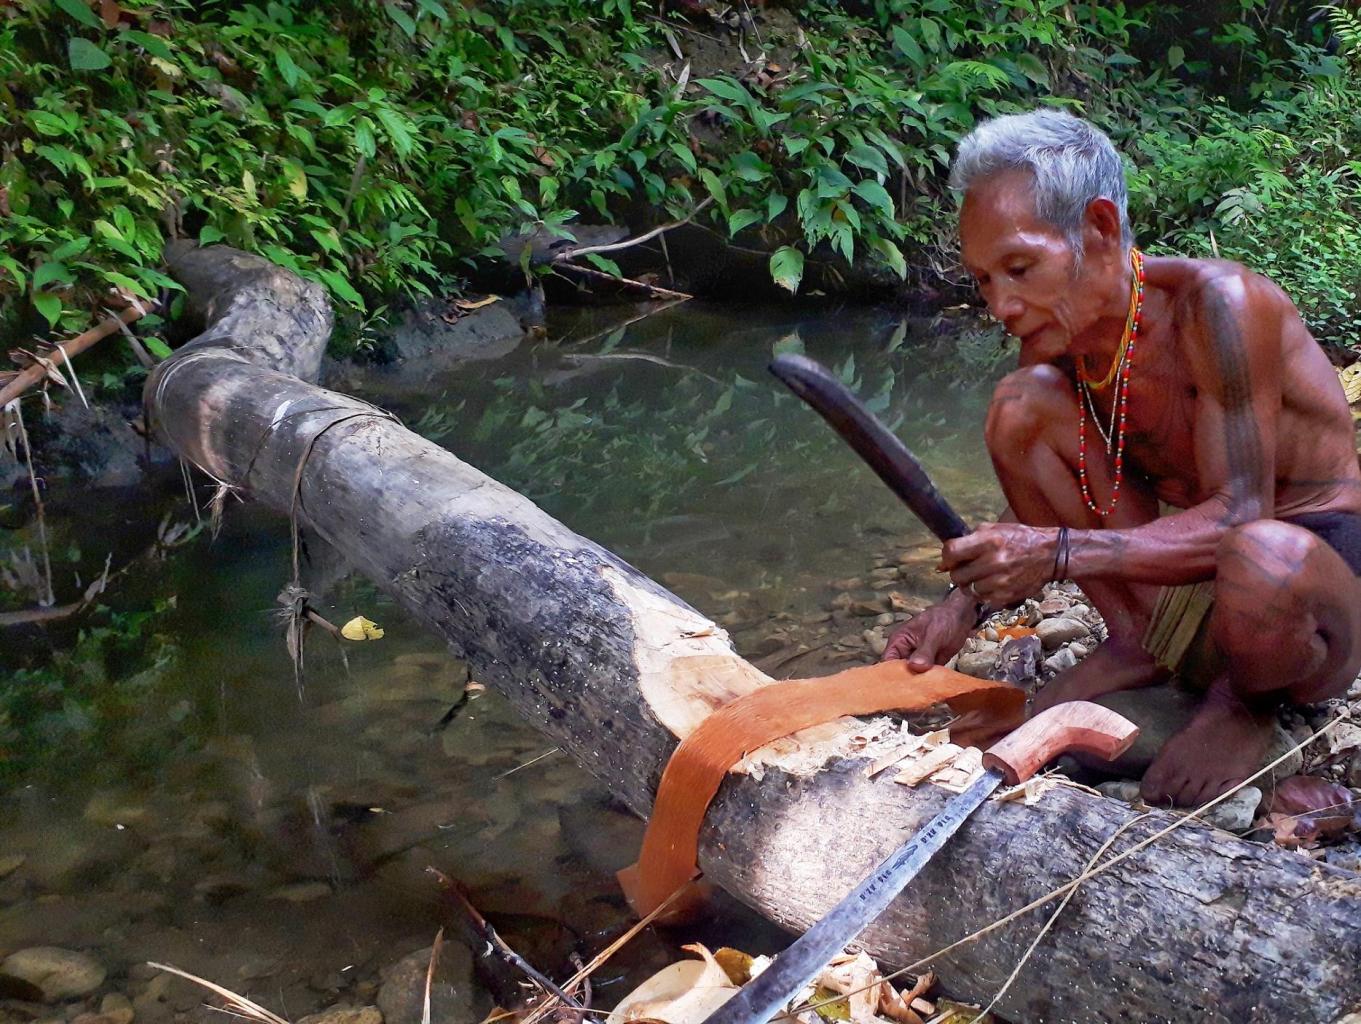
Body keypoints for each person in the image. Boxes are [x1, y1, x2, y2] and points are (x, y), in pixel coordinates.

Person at [882, 108, 1361, 807]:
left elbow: (1239, 517)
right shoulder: (1061, 340)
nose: (1001, 305)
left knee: (1262, 552)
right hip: (1191, 572)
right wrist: (961, 606)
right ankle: (1139, 641)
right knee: (1020, 407)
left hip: (1304, 592)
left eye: (1020, 267)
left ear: (1100, 230)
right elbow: (1047, 496)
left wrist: (1056, 552)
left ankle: (1244, 705)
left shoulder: (1218, 307)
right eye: (984, 280)